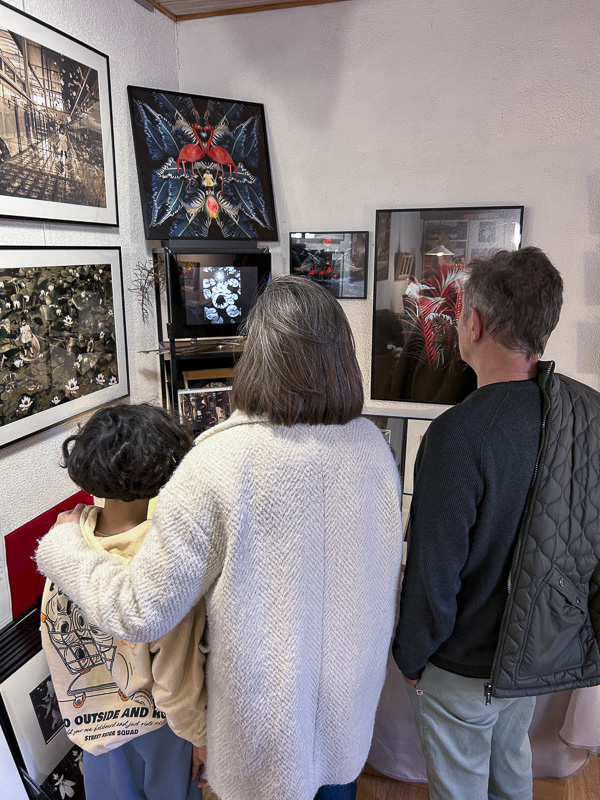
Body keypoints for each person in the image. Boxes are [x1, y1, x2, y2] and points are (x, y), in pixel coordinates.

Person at [36, 275, 404, 800]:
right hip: (346, 706)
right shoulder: (372, 448)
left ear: (255, 356)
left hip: (262, 729)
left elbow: (140, 610)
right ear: (341, 355)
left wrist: (65, 546)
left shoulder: (219, 461)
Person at [392, 247, 600, 800]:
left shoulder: (458, 436)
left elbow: (433, 575)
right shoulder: (577, 419)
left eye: (461, 315)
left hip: (463, 666)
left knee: (461, 788)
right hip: (531, 654)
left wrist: (412, 657)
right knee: (511, 770)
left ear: (474, 324)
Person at [39, 403, 207, 800]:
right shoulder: (164, 559)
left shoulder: (67, 537)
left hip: (91, 721)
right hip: (160, 723)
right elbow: (176, 671)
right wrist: (200, 735)